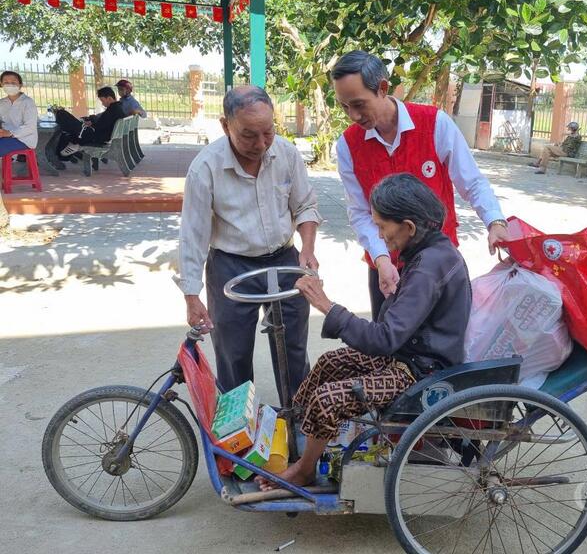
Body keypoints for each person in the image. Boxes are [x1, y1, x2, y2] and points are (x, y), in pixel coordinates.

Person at [256, 173, 471, 490]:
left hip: (420, 372)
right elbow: (398, 326)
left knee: (329, 398)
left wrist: (327, 306)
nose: (380, 236)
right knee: (330, 364)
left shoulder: (429, 266)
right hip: (407, 356)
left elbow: (383, 339)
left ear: (409, 227)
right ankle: (299, 432)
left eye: (383, 227)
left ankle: (305, 468)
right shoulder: (428, 254)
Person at [332, 50, 508, 321]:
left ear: (382, 88)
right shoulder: (348, 145)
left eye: (358, 104)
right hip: (384, 267)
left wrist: (495, 222)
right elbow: (359, 212)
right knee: (389, 349)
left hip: (438, 265)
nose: (353, 115)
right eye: (344, 107)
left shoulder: (434, 124)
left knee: (444, 348)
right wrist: (381, 259)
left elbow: (471, 181)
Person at [176, 85, 322, 395]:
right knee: (233, 354)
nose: (260, 144)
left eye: (267, 132)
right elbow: (193, 234)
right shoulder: (206, 167)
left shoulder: (285, 153)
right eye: (248, 135)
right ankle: (239, 434)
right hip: (231, 266)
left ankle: (301, 423)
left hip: (284, 261)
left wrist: (307, 248)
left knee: (293, 348)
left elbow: (305, 206)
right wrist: (192, 295)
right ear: (225, 125)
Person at [54, 86, 126, 161]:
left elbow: (100, 125)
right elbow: (103, 124)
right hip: (96, 134)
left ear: (109, 98)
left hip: (92, 136)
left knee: (61, 114)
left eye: (102, 100)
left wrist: (92, 123)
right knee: (67, 125)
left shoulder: (112, 110)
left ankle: (72, 147)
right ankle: (69, 149)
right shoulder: (117, 108)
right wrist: (92, 122)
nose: (102, 103)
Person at [0, 70, 38, 159]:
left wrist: (9, 133)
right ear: (1, 84)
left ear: (20, 85)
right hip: (5, 137)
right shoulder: (1, 103)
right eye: (6, 82)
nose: (10, 85)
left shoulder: (28, 102)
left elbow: (30, 127)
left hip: (24, 139)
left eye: (13, 82)